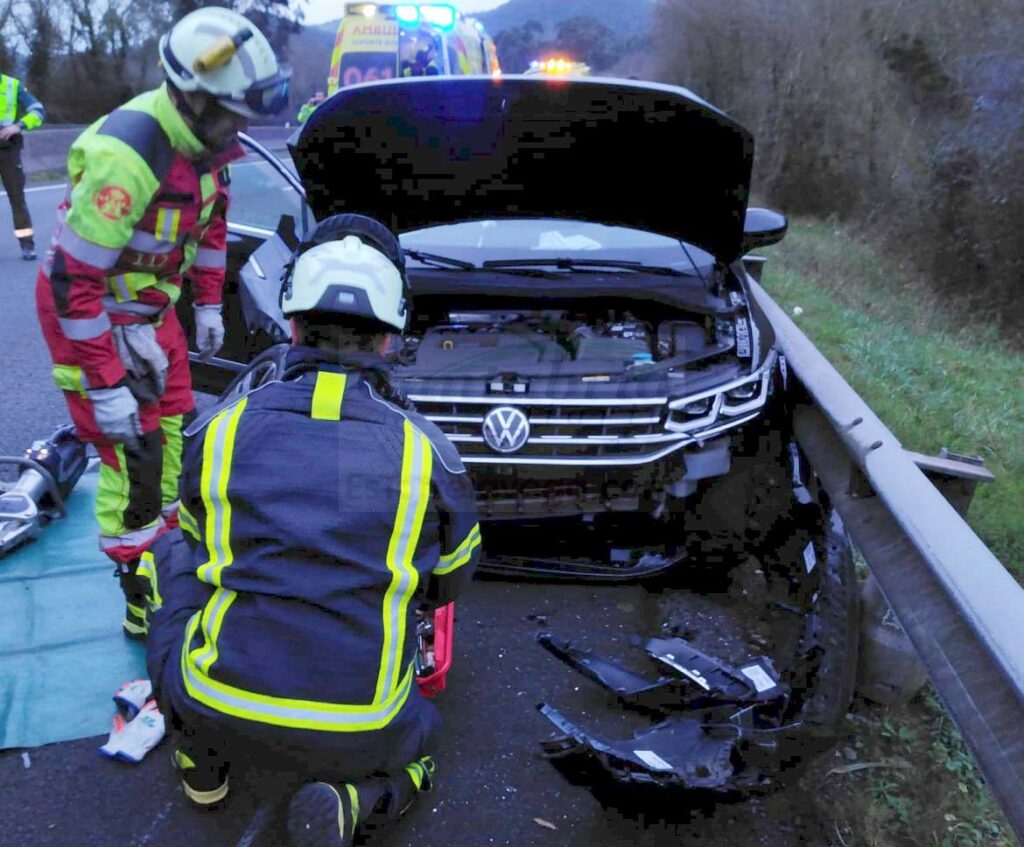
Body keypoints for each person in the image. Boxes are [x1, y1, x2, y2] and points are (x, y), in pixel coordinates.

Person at [144, 214, 481, 847]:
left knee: (170, 561)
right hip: (362, 726)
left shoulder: (218, 429)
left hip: (218, 703)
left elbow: (196, 539)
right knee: (425, 741)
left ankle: (201, 762)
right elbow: (447, 583)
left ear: (291, 323)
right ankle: (361, 800)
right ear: (390, 340)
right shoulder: (427, 453)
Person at [34, 7, 290, 640]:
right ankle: (139, 591)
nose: (243, 128)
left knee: (173, 430)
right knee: (133, 458)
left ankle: (171, 555)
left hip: (150, 308)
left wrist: (206, 302)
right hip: (91, 317)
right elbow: (73, 279)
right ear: (193, 96)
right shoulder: (131, 155)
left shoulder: (207, 147)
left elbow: (210, 229)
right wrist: (103, 383)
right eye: (235, 112)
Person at [0, 71, 46, 260]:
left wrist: (19, 125)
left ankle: (27, 245)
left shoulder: (12, 85)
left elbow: (38, 110)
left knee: (17, 199)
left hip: (8, 149)